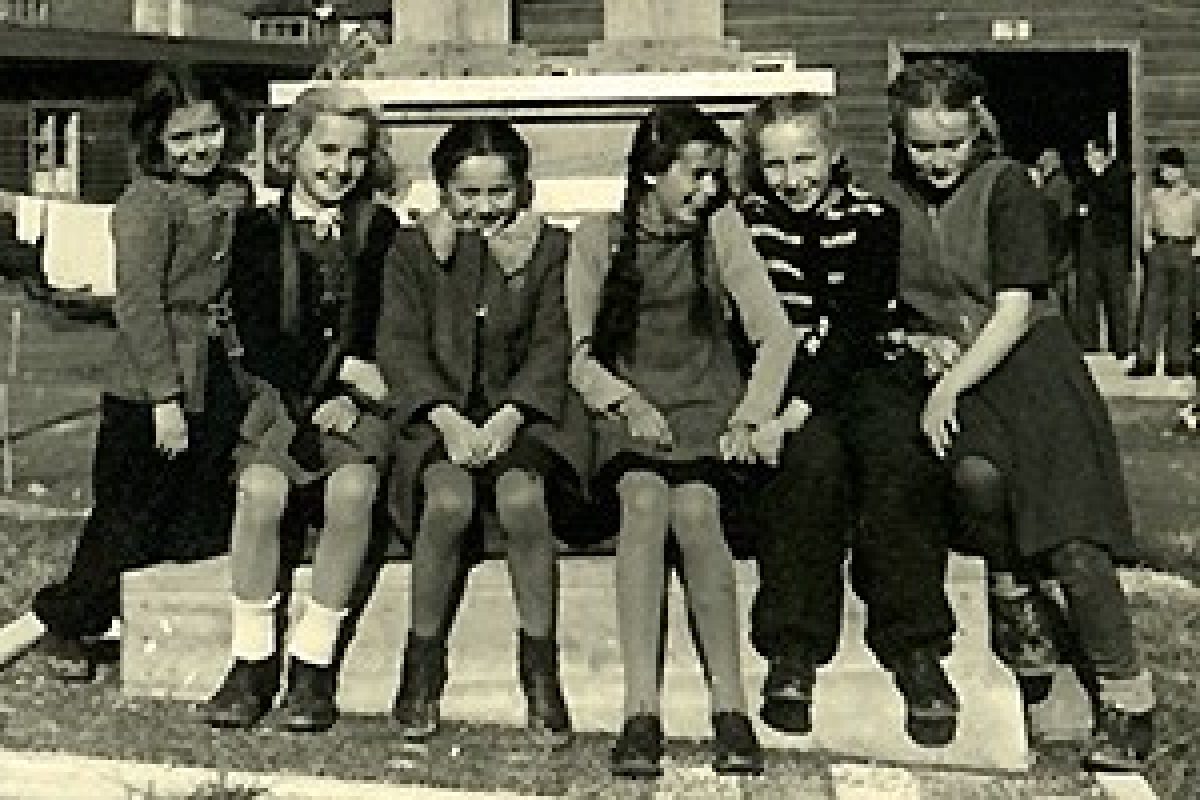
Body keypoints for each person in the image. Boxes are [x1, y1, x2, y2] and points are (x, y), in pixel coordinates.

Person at [879, 59, 1156, 772]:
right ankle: (1014, 596)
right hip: (962, 375)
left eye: (951, 143)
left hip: (1030, 366)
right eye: (922, 146)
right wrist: (914, 338)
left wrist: (945, 389)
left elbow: (1011, 310)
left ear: (978, 130)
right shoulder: (889, 199)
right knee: (973, 477)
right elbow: (886, 302)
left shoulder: (1007, 188)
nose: (938, 161)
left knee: (1072, 536)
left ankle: (1128, 697)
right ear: (898, 138)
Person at [0, 65, 252, 680]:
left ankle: (135, 621)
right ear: (156, 143)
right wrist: (164, 400)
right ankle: (62, 624)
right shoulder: (146, 203)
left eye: (210, 132)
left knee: (192, 515)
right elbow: (138, 305)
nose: (200, 149)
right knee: (126, 515)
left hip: (216, 371)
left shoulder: (234, 193)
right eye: (182, 139)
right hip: (149, 384)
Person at [567, 103, 796, 778]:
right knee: (643, 502)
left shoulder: (722, 231)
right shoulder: (599, 238)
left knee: (697, 511)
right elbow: (580, 356)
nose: (709, 190)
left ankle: (731, 709)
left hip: (704, 405)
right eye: (695, 176)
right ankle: (641, 711)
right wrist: (627, 404)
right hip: (629, 405)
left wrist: (751, 416)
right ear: (650, 174)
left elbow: (775, 334)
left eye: (716, 176)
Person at [735, 92, 959, 747]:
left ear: (833, 156)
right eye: (775, 165)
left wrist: (797, 409)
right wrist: (777, 412)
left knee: (897, 452)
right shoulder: (745, 225)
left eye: (805, 159)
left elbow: (857, 326)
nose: (793, 179)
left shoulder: (871, 218)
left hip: (864, 367)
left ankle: (915, 645)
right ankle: (793, 647)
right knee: (808, 463)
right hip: (781, 373)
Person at [375, 120, 590, 744]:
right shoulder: (416, 252)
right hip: (439, 419)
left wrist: (510, 416)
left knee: (523, 499)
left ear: (522, 189)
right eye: (467, 193)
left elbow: (555, 344)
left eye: (499, 191)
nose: (483, 208)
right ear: (443, 189)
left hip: (521, 418)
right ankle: (420, 663)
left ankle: (540, 666)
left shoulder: (549, 249)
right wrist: (443, 416)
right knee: (447, 502)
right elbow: (400, 344)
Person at [199, 84, 397, 733]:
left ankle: (313, 662)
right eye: (326, 149)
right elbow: (258, 337)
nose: (338, 168)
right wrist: (330, 379)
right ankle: (252, 659)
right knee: (260, 491)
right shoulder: (258, 230)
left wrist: (353, 391)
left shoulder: (380, 231)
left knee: (353, 490)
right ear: (293, 149)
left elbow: (383, 327)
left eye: (355, 155)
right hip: (285, 397)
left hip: (357, 406)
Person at [1130, 147, 1200, 378]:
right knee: (1152, 305)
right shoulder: (1156, 195)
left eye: (1169, 169)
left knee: (1182, 306)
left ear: (1180, 171)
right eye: (1162, 169)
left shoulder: (1194, 196)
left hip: (1184, 249)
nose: (1165, 173)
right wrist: (1148, 243)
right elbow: (1147, 219)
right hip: (1160, 249)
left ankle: (1178, 360)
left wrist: (1196, 248)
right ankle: (1145, 359)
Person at [1075, 135, 1134, 360]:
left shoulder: (1119, 174)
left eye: (1091, 152)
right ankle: (1087, 343)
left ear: (1103, 154)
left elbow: (1115, 200)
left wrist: (1097, 178)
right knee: (1087, 293)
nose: (1087, 158)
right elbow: (1079, 199)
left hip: (1113, 242)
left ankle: (1121, 345)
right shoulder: (1085, 178)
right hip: (1090, 241)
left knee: (1115, 294)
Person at [1036, 148, 1077, 322]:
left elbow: (1064, 220)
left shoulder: (1058, 186)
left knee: (1060, 292)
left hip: (1059, 248)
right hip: (1056, 247)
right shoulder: (1051, 185)